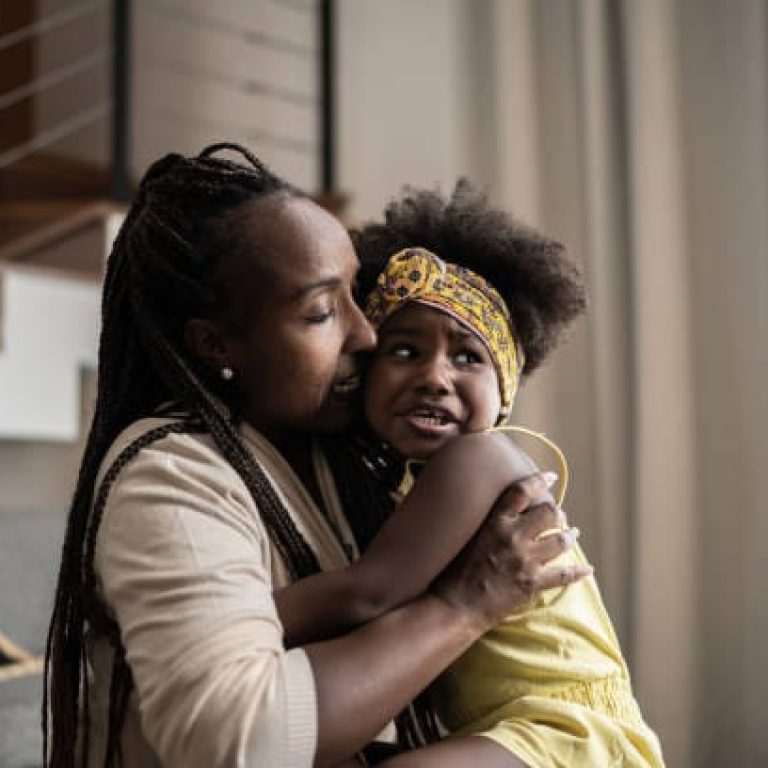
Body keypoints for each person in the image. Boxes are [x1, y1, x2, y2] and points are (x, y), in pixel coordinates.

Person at [42, 145, 588, 768]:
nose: (368, 334)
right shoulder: (171, 474)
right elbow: (238, 743)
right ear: (216, 343)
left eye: (359, 293)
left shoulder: (356, 451)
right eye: (323, 311)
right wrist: (463, 607)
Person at [280, 183, 664, 766]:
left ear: (503, 392)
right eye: (405, 351)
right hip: (506, 730)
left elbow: (368, 594)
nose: (436, 377)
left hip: (565, 727)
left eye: (467, 357)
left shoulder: (478, 459)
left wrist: (234, 620)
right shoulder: (396, 482)